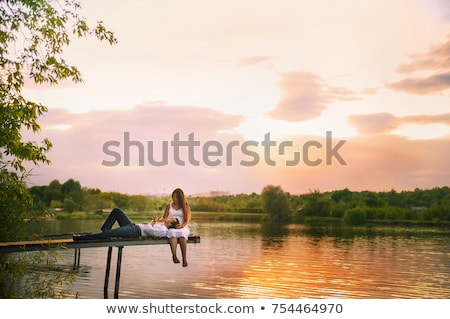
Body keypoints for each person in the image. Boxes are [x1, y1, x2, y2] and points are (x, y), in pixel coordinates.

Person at [72, 208, 179, 241]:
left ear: (171, 223)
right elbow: (149, 227)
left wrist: (152, 223)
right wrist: (153, 222)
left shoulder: (163, 230)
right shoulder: (161, 226)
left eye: (171, 218)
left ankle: (81, 238)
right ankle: (105, 232)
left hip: (134, 231)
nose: (169, 217)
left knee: (108, 233)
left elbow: (149, 231)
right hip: (132, 226)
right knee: (116, 211)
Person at [162, 188, 191, 267]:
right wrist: (159, 220)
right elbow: (164, 218)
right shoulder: (169, 206)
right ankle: (174, 255)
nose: (174, 199)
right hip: (172, 226)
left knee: (182, 235)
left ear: (180, 198)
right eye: (173, 197)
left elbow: (186, 220)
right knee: (172, 233)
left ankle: (184, 258)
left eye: (176, 197)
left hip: (182, 226)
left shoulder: (185, 206)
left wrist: (182, 226)